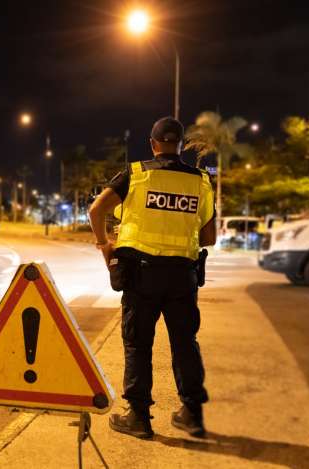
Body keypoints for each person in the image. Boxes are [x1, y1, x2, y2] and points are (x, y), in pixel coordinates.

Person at [88, 117, 216, 439]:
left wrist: (105, 245)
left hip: (141, 276)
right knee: (185, 343)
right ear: (181, 145)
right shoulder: (200, 181)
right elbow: (209, 237)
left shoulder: (135, 175)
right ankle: (192, 414)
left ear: (153, 144)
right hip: (182, 276)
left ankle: (139, 417)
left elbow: (96, 211)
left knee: (138, 345)